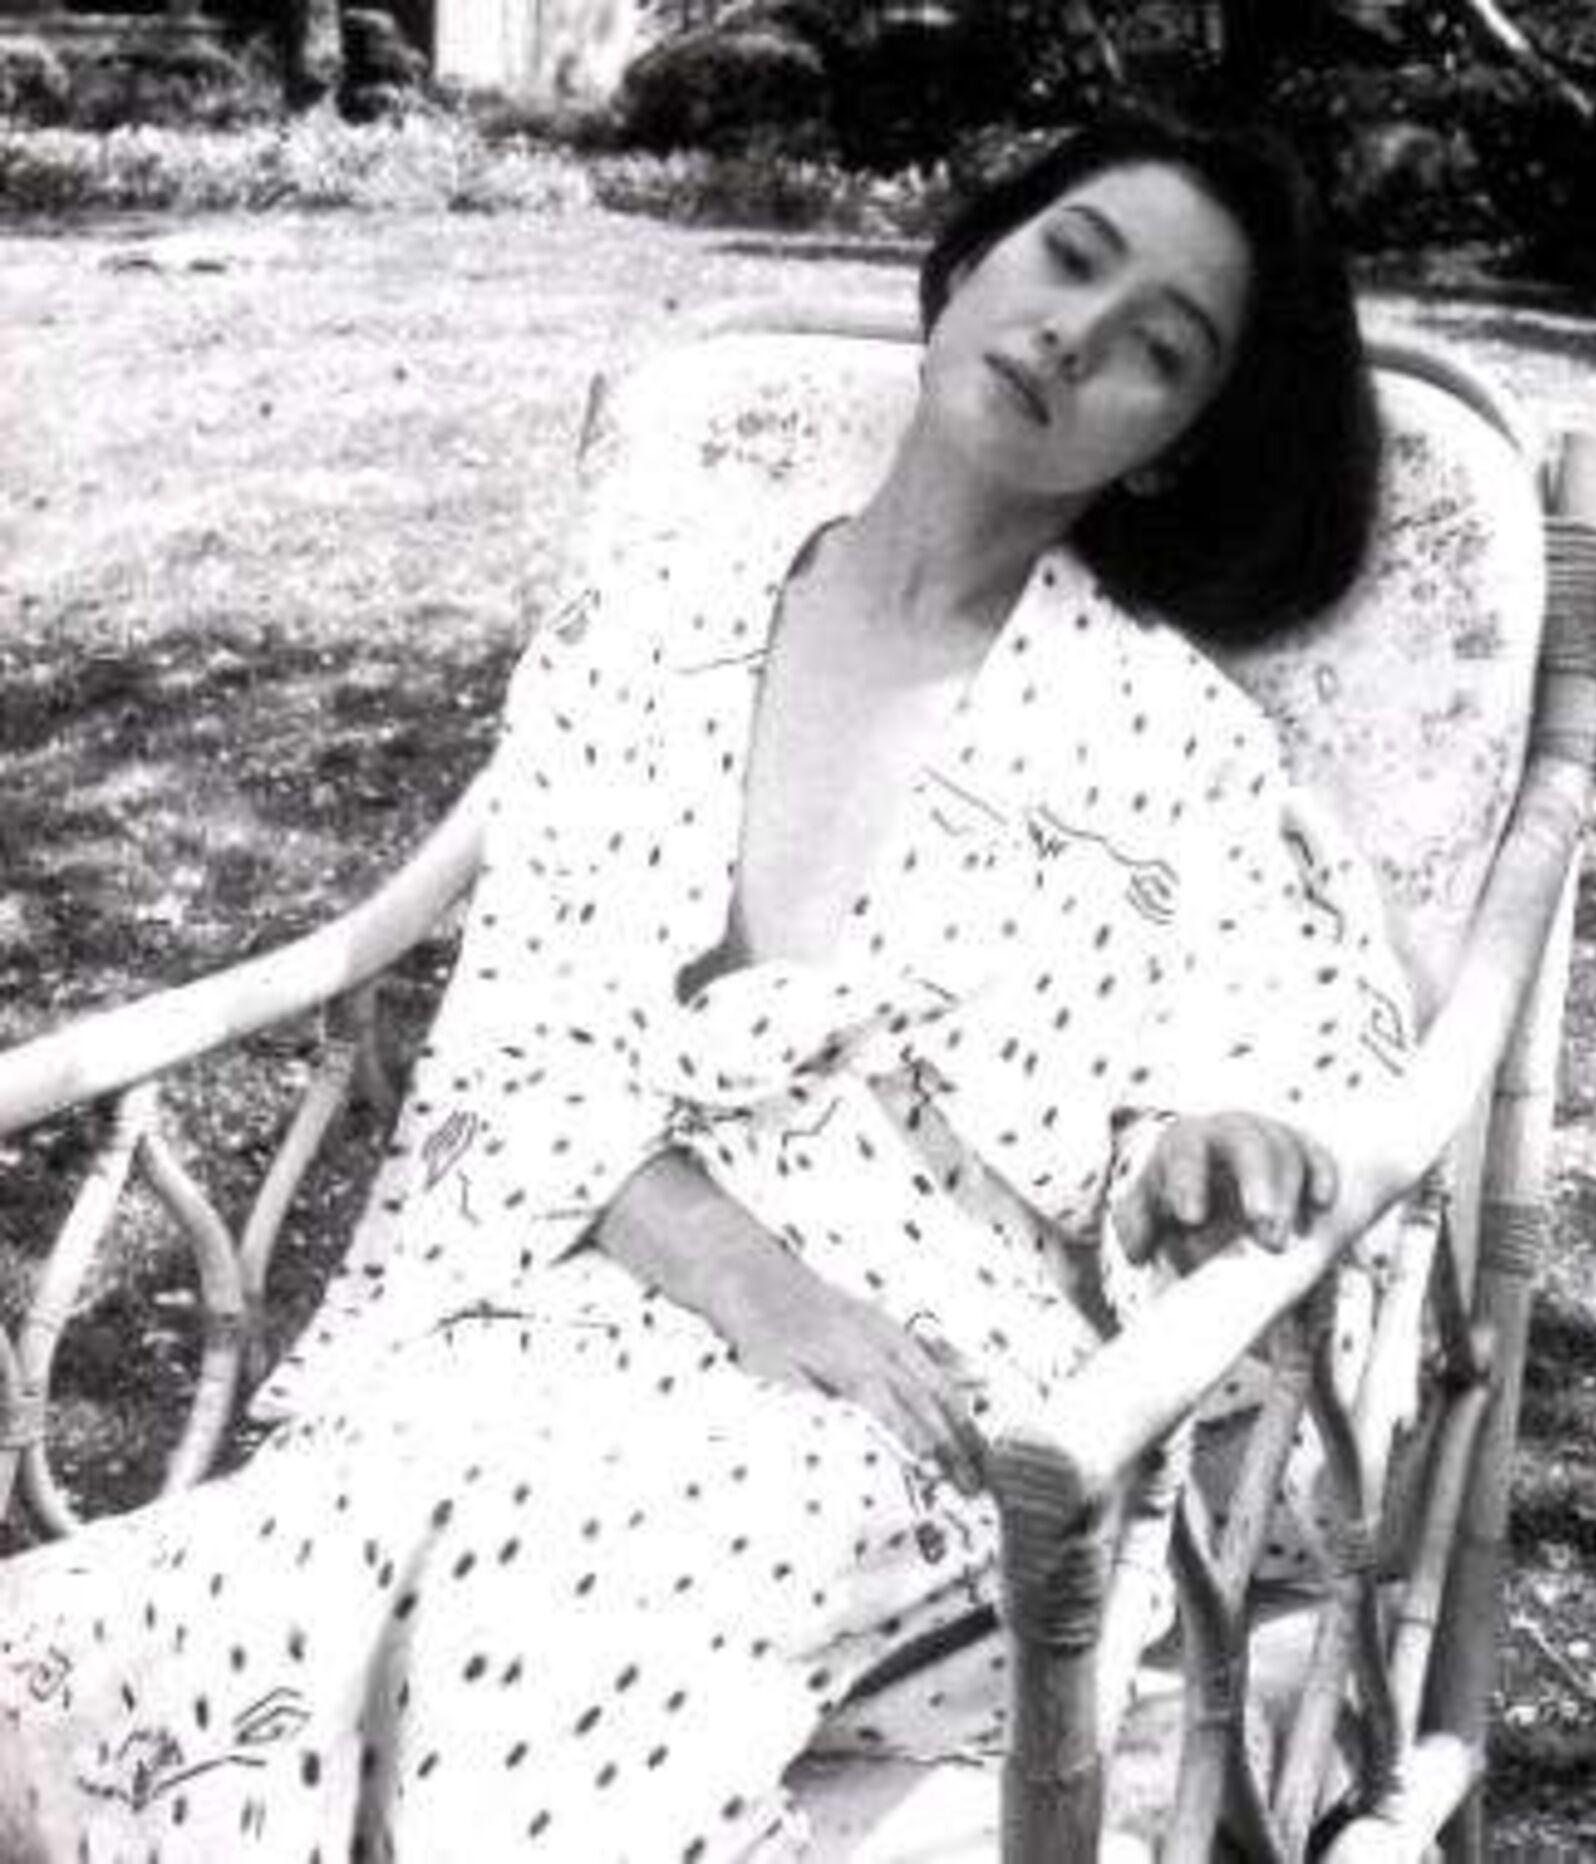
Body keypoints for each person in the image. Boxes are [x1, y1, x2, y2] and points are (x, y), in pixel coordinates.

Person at [0, 109, 1409, 1861]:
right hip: (558, 1303)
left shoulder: (1167, 734)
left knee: (558, 1588)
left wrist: (1211, 1141)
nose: (1074, 333)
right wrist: (744, 1278)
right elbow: (520, 1030)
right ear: (976, 256)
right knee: (180, 1609)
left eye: (1160, 351)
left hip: (907, 1387)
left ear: (1172, 453)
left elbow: (1257, 1049)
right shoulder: (644, 625)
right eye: (1070, 256)